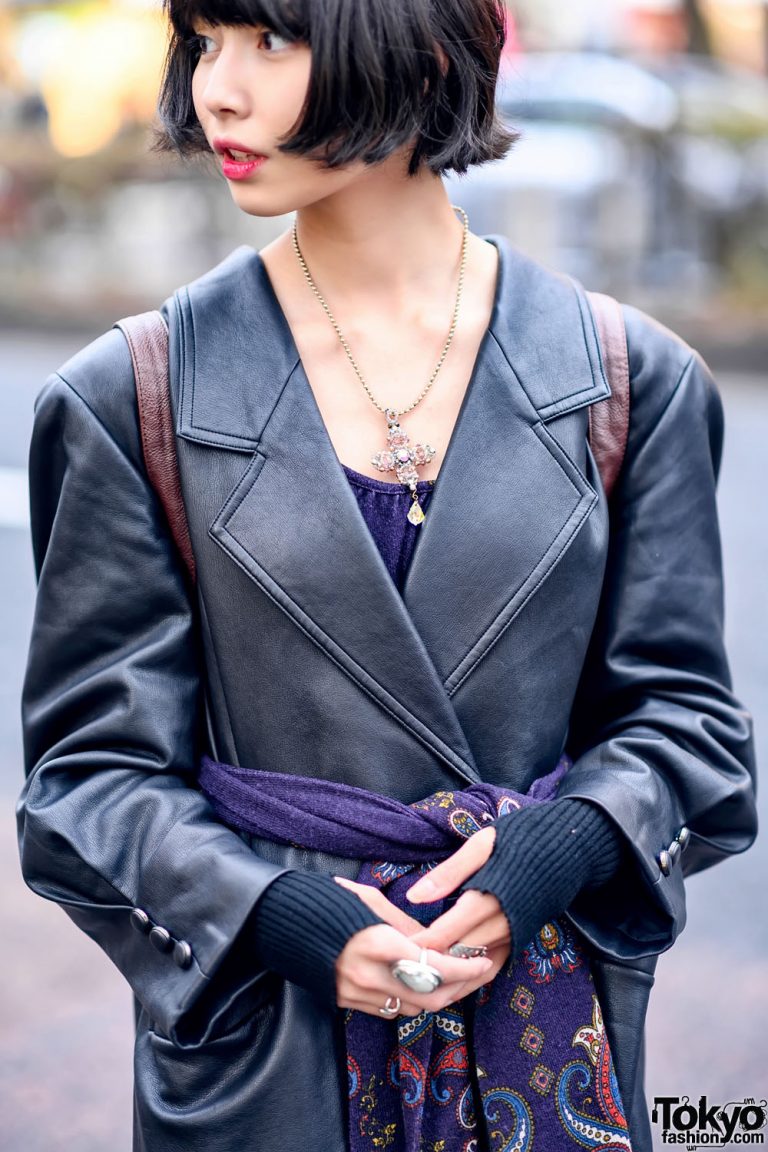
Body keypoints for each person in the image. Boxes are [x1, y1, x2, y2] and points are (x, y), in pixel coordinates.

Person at [17, 2, 757, 1151]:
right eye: (207, 41)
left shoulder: (629, 382)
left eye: (272, 40)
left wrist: (558, 850)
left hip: (547, 1030)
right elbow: (89, 778)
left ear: (416, 46)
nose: (218, 89)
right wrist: (279, 915)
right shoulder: (134, 394)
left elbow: (689, 728)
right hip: (270, 1042)